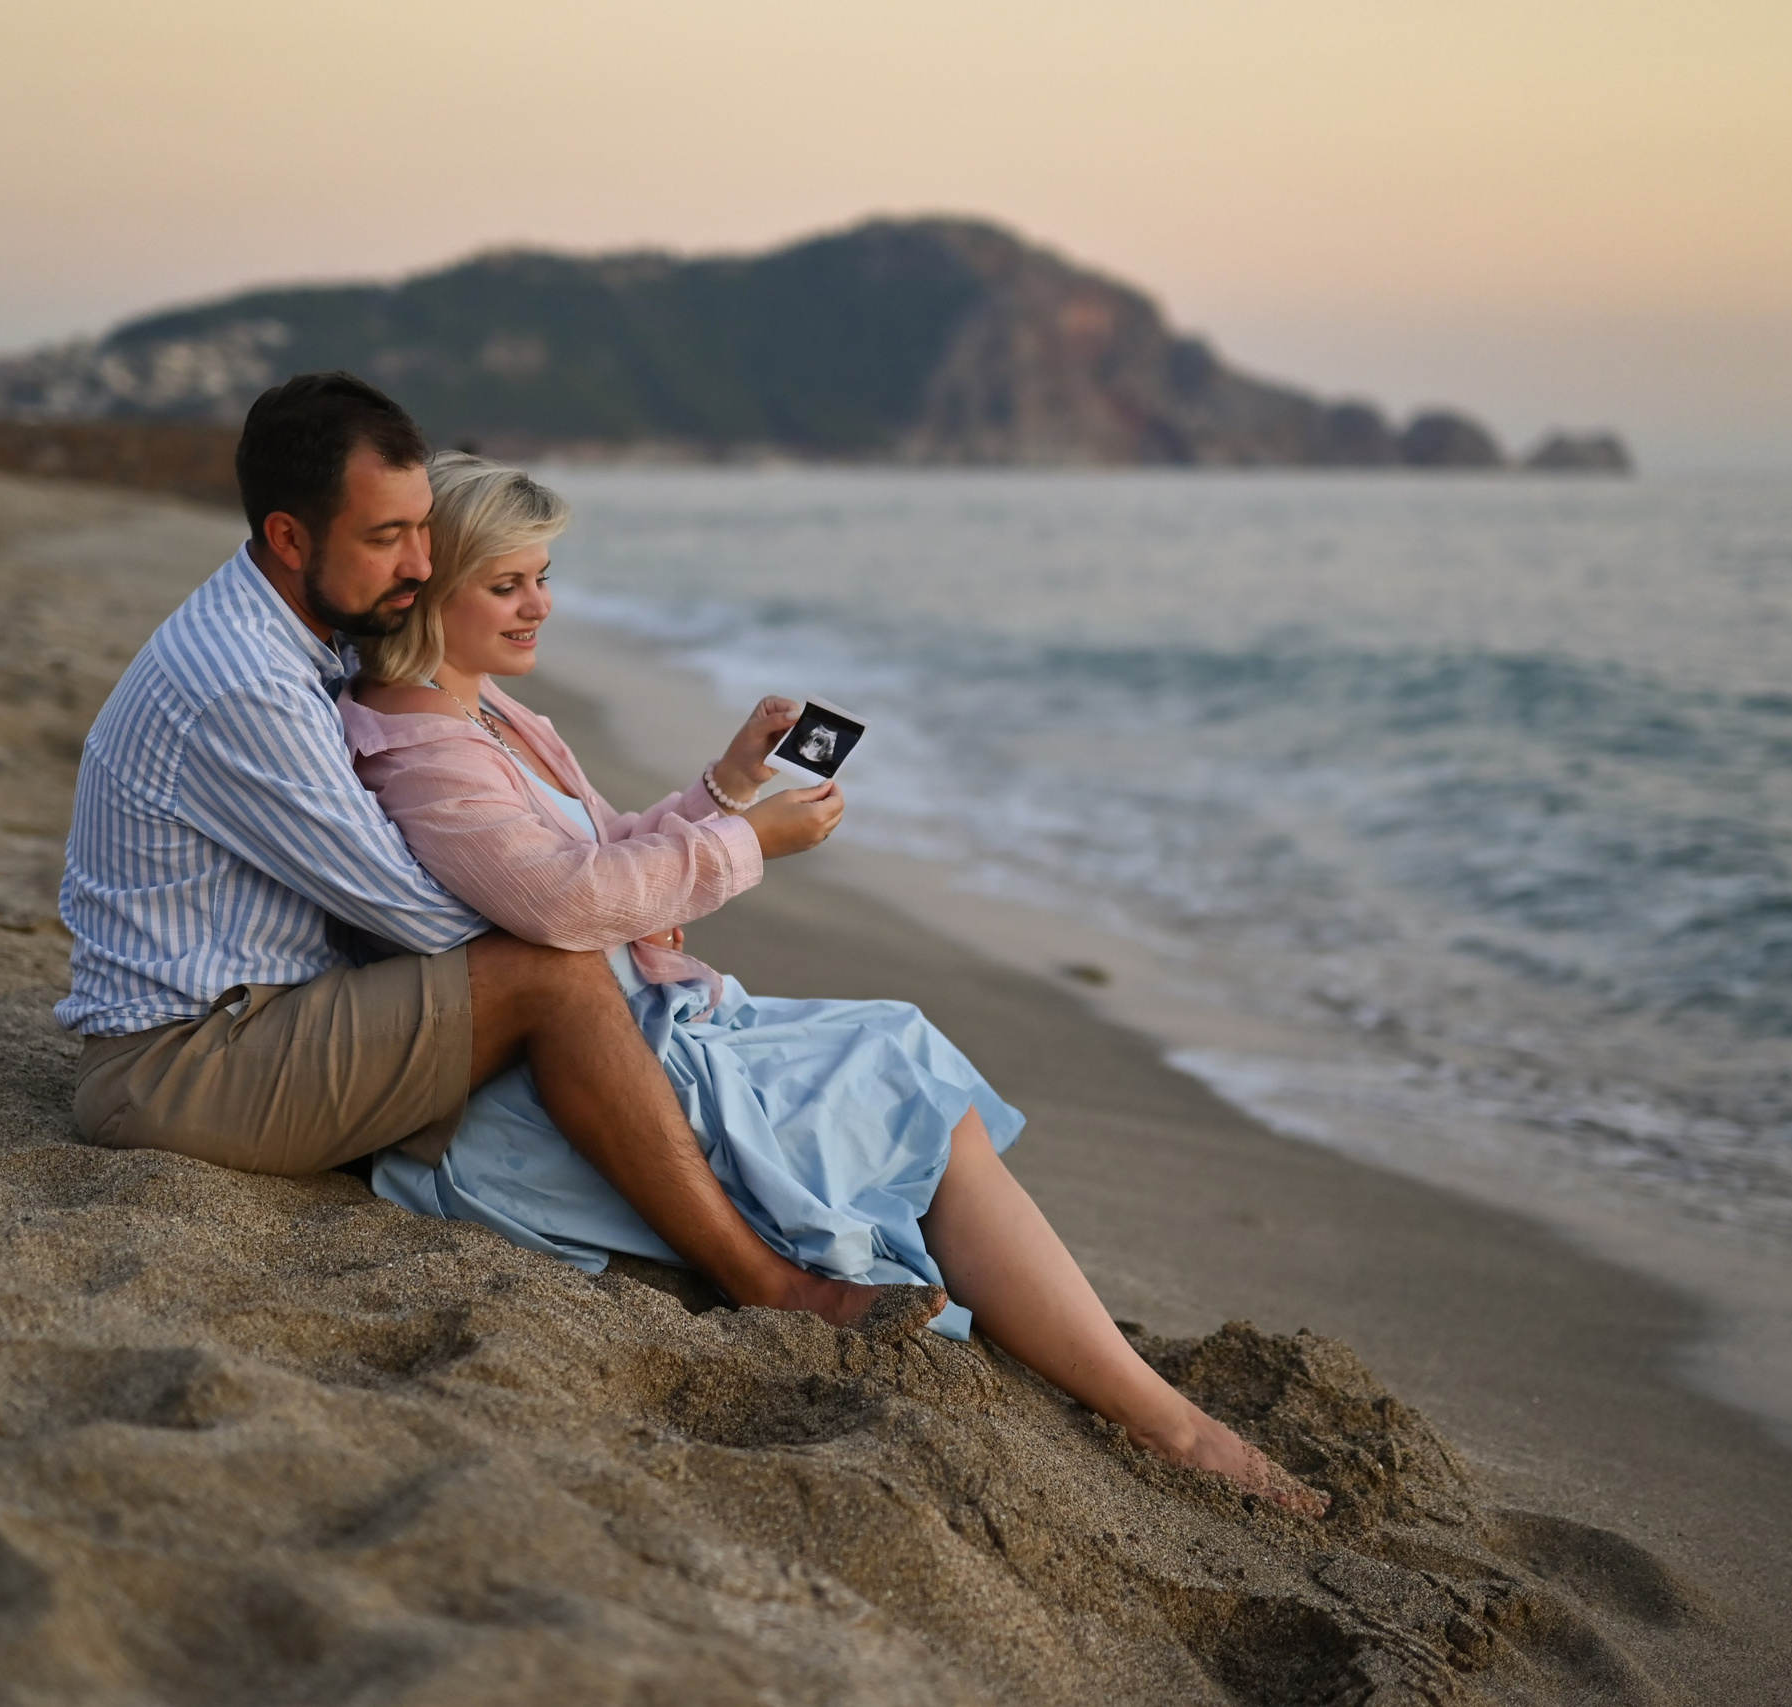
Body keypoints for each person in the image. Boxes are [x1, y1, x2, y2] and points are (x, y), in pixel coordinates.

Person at [340, 453, 1323, 1511]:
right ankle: (1165, 1422)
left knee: (903, 1062)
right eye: (507, 585)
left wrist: (727, 786)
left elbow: (602, 854)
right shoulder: (424, 752)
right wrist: (749, 843)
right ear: (427, 592)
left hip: (625, 1015)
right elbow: (567, 903)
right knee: (905, 1082)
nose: (541, 604)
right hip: (576, 1067)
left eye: (543, 576)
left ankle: (1127, 1389)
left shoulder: (488, 713)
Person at [55, 371, 910, 1329]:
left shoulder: (308, 635)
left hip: (264, 1013)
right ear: (290, 536)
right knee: (550, 973)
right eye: (387, 538)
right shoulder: (246, 684)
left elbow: (540, 870)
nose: (420, 564)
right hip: (184, 1066)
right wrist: (607, 892)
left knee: (560, 955)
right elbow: (426, 916)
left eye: (424, 529)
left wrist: (674, 838)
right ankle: (770, 1284)